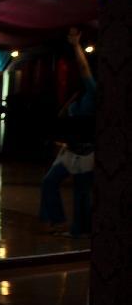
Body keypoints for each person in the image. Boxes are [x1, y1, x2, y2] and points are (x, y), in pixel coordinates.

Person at [40, 28, 96, 236]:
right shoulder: (78, 95)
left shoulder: (93, 92)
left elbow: (84, 68)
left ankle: (79, 230)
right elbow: (64, 117)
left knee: (82, 193)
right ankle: (59, 221)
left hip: (86, 152)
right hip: (71, 150)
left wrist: (76, 45)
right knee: (49, 182)